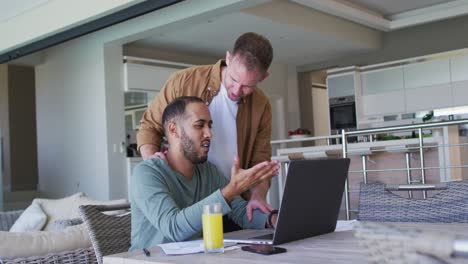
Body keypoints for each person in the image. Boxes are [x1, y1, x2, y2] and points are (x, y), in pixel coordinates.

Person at [137, 32, 274, 222]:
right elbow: (149, 127)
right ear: (228, 58)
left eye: (247, 86)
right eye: (234, 79)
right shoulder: (183, 81)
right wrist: (155, 164)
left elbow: (260, 162)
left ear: (263, 77)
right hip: (186, 206)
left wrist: (258, 195)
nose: (236, 91)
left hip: (233, 207)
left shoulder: (261, 105)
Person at [130, 96, 279, 250]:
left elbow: (241, 213)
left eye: (209, 126)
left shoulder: (208, 172)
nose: (209, 134)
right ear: (173, 129)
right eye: (199, 125)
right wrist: (230, 191)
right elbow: (173, 228)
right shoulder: (147, 174)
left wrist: (275, 219)